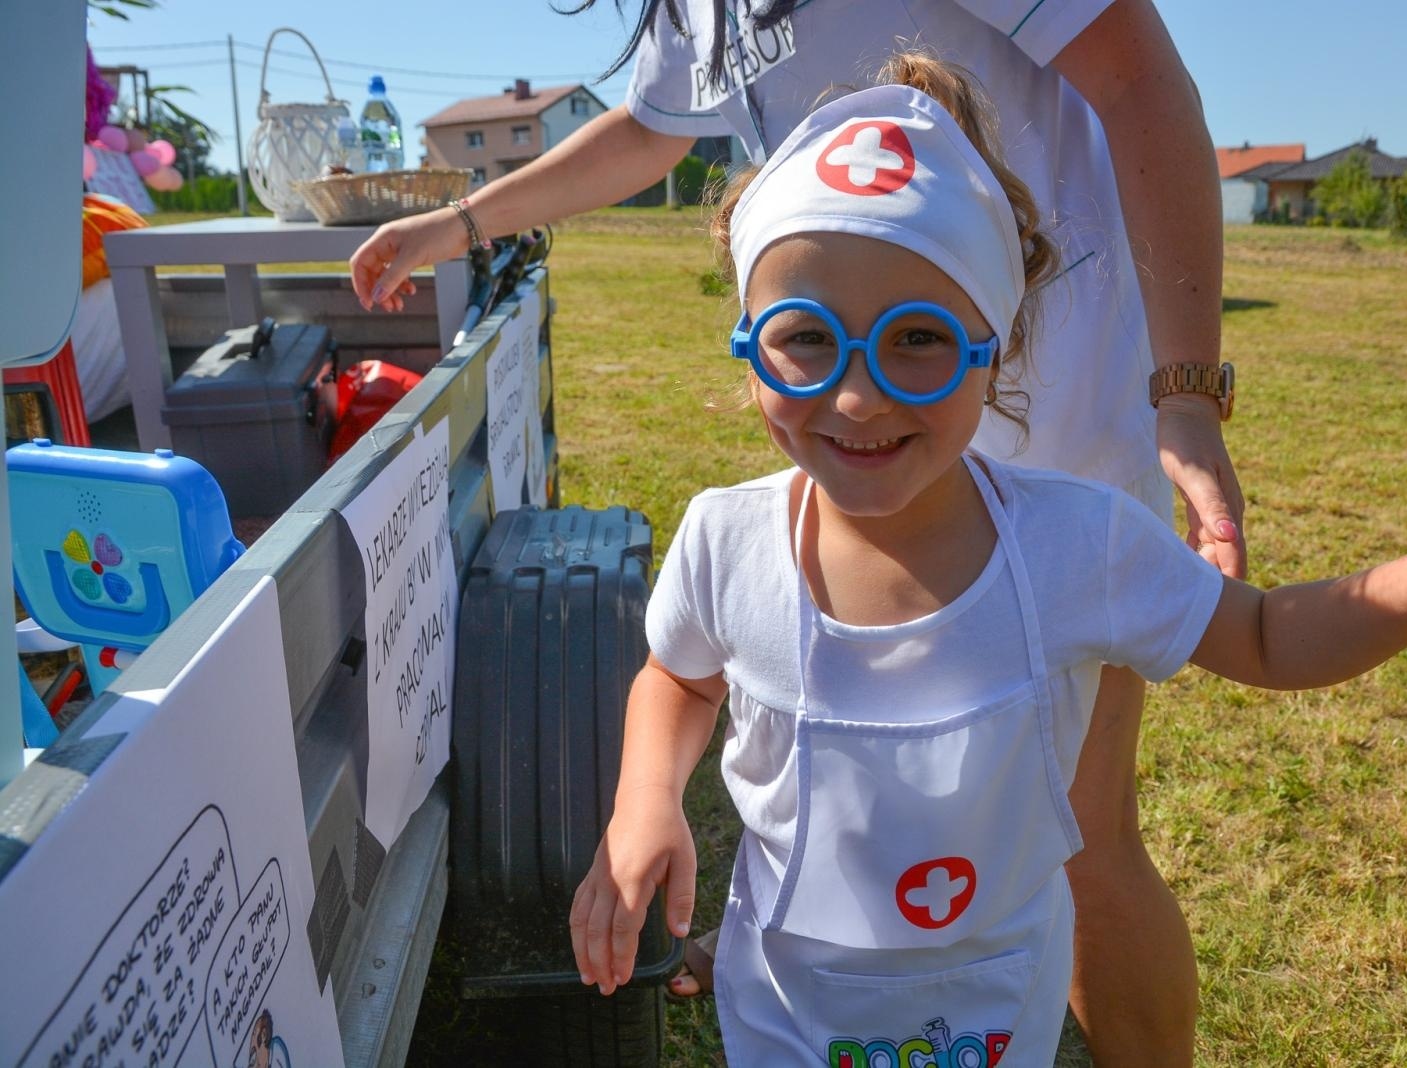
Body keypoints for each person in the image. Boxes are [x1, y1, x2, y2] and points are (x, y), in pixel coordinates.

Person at [566, 64, 1407, 1064]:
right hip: (786, 1013)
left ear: (995, 346)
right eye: (805, 339)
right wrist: (644, 801)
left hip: (992, 1013)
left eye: (918, 339)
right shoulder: (723, 539)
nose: (856, 395)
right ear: (746, 344)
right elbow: (679, 676)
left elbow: (1266, 636)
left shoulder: (1076, 545)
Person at [351, 3, 1237, 1060]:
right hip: (878, 424)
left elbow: (1136, 79)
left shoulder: (1065, 519)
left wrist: (1181, 387)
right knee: (869, 787)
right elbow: (654, 124)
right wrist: (463, 224)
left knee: (1078, 834)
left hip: (1043, 420)